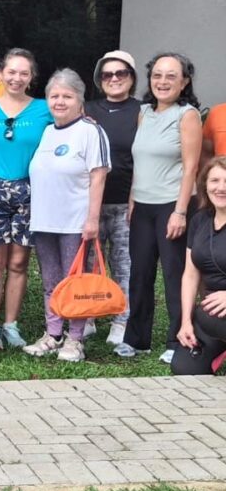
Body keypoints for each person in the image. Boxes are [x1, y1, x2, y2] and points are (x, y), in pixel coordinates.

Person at [24, 69, 111, 362]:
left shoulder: (90, 131)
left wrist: (92, 219)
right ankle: (53, 334)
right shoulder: (48, 131)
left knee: (76, 283)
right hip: (44, 221)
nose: (59, 101)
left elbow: (98, 177)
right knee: (51, 282)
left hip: (75, 222)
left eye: (67, 96)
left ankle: (75, 339)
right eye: (54, 95)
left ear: (80, 100)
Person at [121, 52, 201, 365]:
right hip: (142, 205)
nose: (163, 81)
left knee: (174, 274)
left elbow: (192, 166)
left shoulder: (188, 115)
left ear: (185, 81)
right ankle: (136, 339)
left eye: (171, 75)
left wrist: (181, 211)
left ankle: (177, 339)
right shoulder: (144, 112)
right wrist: (131, 201)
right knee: (139, 273)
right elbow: (139, 163)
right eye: (157, 75)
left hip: (173, 204)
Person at [0, 48, 51, 351]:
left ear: (31, 77)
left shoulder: (44, 109)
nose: (17, 78)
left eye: (24, 73)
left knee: (18, 261)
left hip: (30, 189)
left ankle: (11, 325)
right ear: (0, 73)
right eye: (11, 72)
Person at [85, 50, 141, 346]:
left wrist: (134, 197)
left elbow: (145, 158)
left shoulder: (143, 110)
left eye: (121, 73)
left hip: (125, 203)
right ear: (99, 79)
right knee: (90, 264)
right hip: (90, 204)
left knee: (124, 264)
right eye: (108, 74)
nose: (114, 79)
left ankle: (122, 319)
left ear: (131, 78)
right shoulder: (87, 109)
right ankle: (89, 316)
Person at [173, 156, 226, 376]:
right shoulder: (199, 221)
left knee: (209, 316)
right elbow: (190, 275)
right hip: (211, 316)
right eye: (215, 181)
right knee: (184, 368)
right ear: (205, 184)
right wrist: (186, 322)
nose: (221, 188)